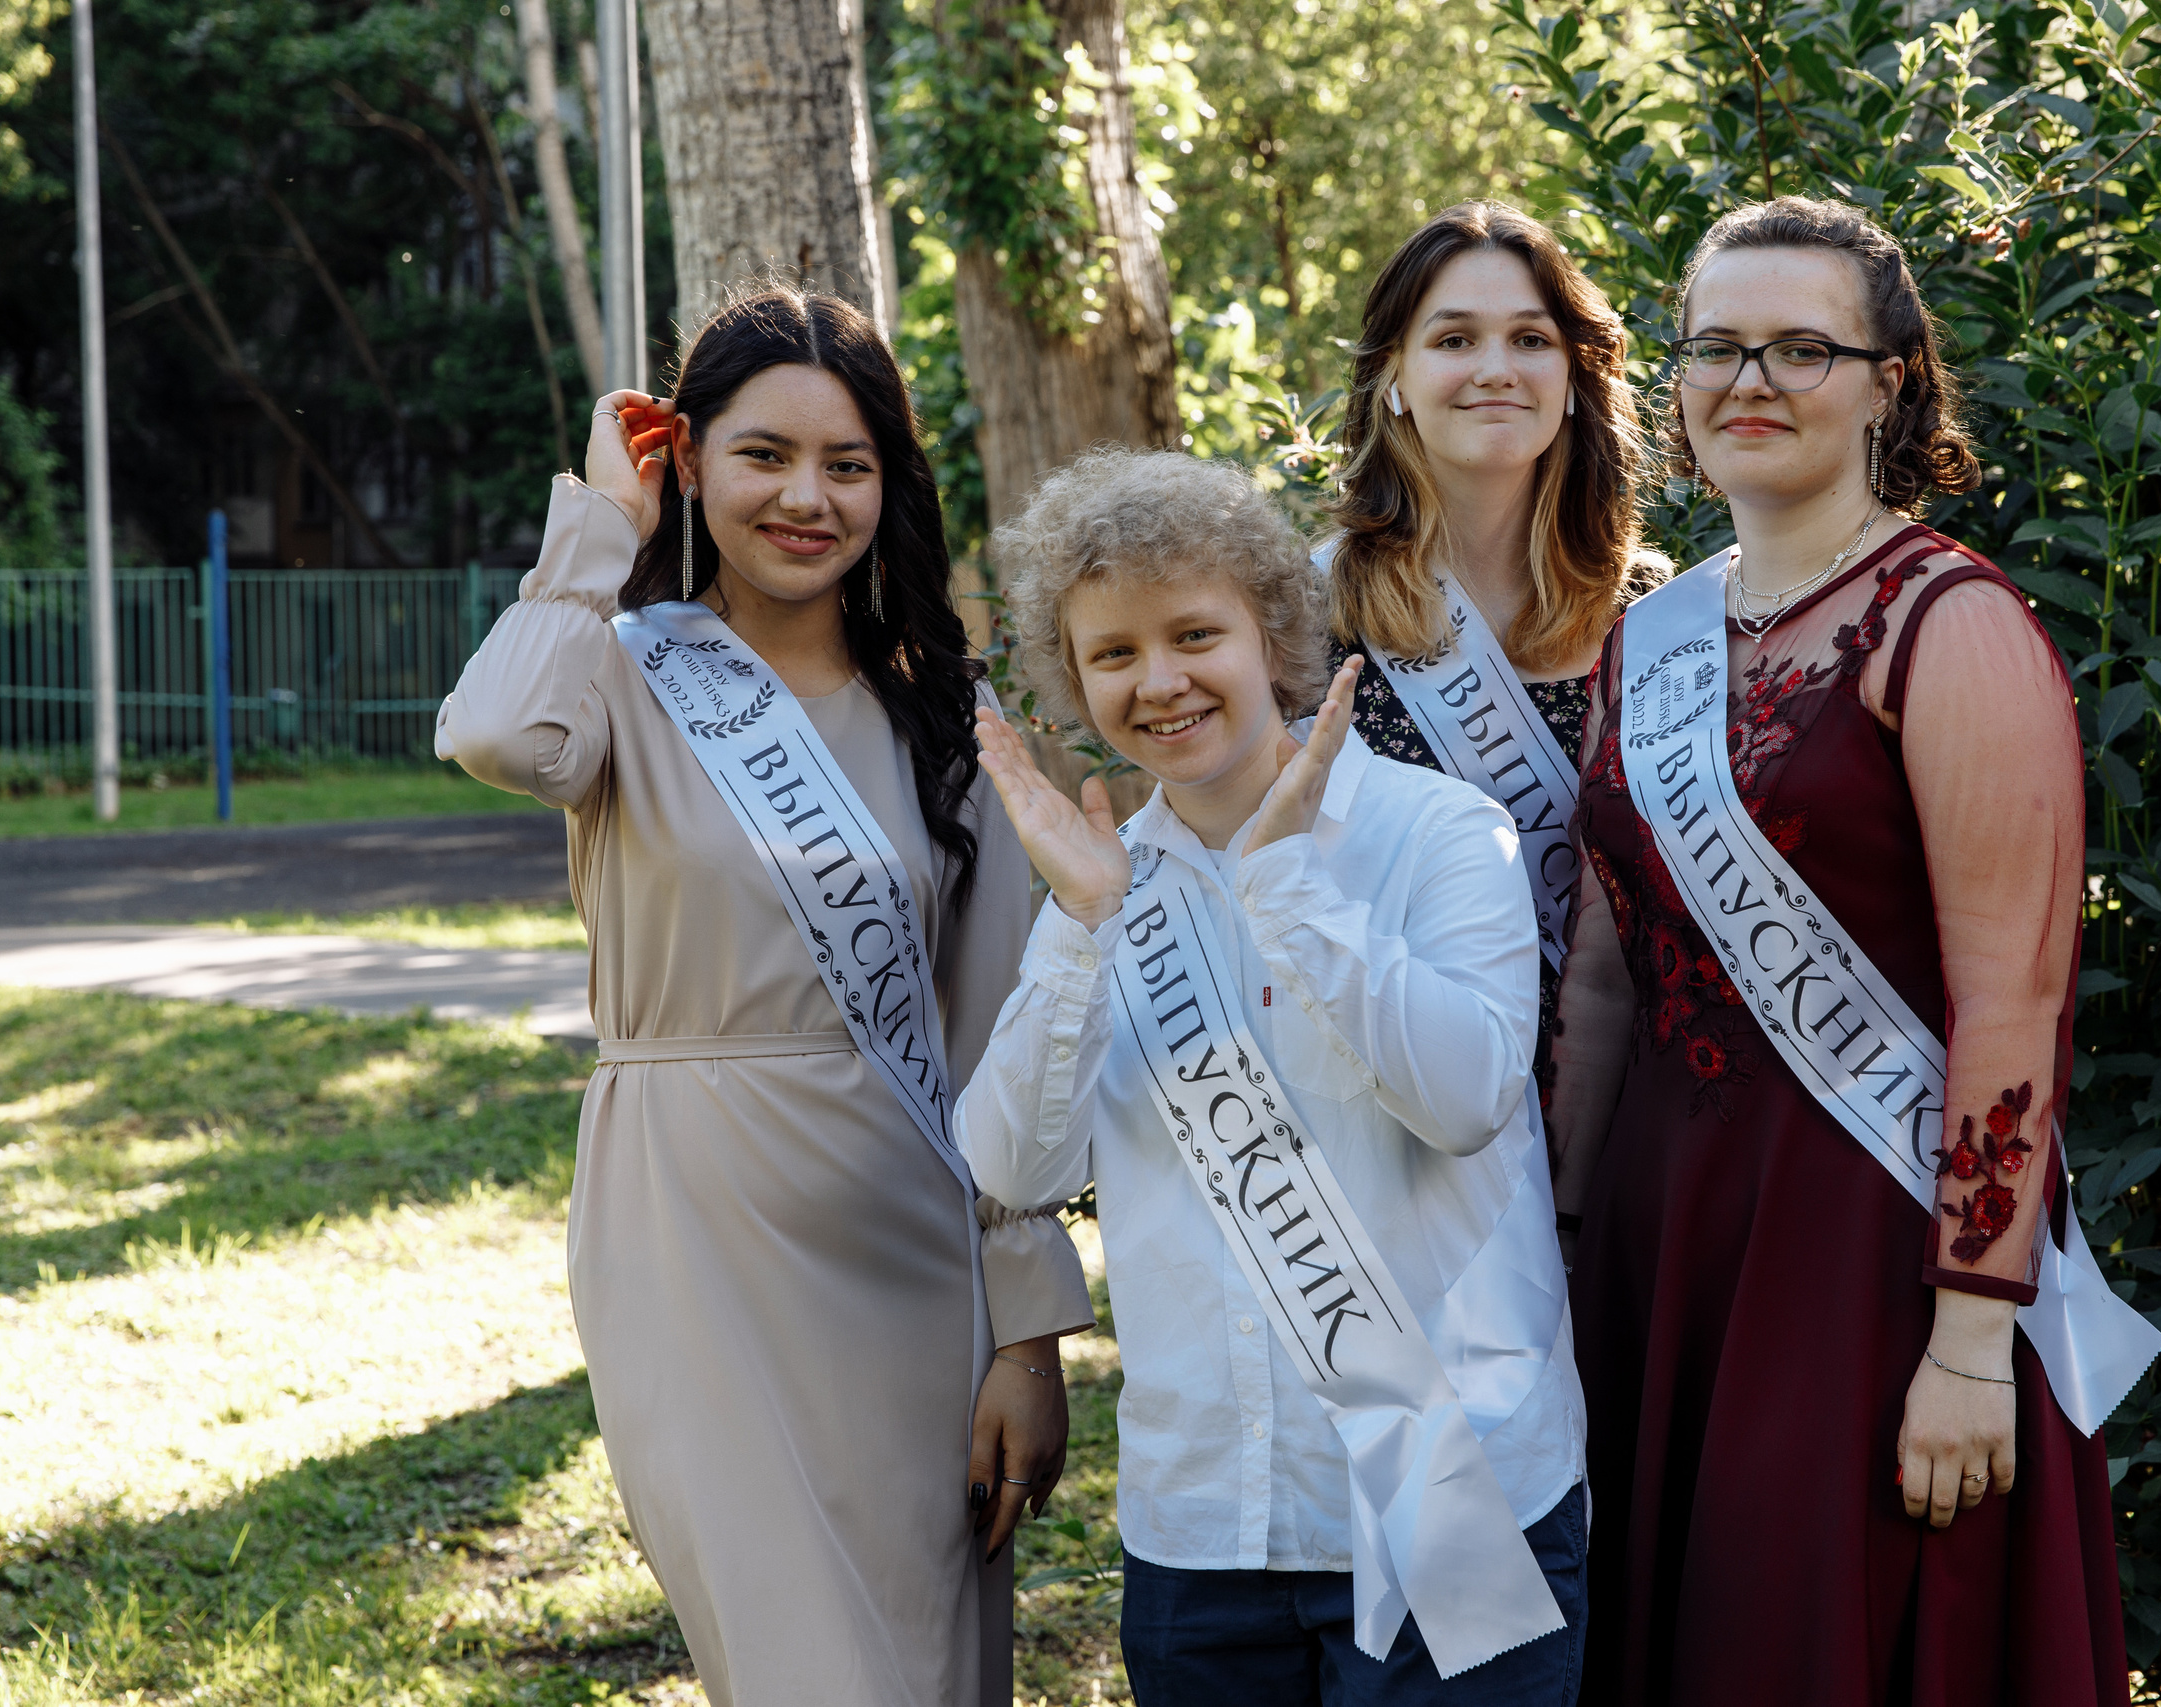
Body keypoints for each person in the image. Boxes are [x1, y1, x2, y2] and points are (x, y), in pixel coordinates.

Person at [437, 285, 1094, 1707]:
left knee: (926, 1664)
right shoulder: (622, 672)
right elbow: (493, 733)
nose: (808, 498)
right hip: (688, 1230)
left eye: (847, 464)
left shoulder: (946, 710)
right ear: (692, 459)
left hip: (914, 1257)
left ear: (887, 483)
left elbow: (994, 1034)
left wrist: (1029, 1327)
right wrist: (601, 527)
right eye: (763, 455)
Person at [1549, 196, 2146, 1702]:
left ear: (1890, 383)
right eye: (1716, 348)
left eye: (1800, 348)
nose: (1748, 381)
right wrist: (1550, 1244)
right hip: (1663, 1248)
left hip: (1871, 1257)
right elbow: (1606, 977)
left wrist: (1970, 1341)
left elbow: (2012, 999)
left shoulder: (1952, 624)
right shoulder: (1647, 639)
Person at [954, 448, 1588, 1705]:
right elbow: (1011, 1167)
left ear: (1272, 636)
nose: (1159, 681)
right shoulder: (1100, 888)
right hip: (1207, 1529)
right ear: (1074, 681)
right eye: (1114, 652)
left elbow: (1466, 1100)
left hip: (1450, 1497)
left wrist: (1286, 888)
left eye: (1195, 634)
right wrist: (1081, 924)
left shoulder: (1440, 834)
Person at [1322, 201, 1656, 1102]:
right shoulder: (1307, 619)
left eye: (1531, 340)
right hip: (1401, 1111)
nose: (1496, 369)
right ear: (1393, 376)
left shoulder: (1658, 622)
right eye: (1454, 340)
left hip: (1631, 1112)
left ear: (1575, 373)